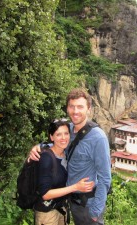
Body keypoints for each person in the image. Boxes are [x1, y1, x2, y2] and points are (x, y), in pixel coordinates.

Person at [29, 88, 111, 225]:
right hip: (71, 201)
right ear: (67, 108)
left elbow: (105, 178)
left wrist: (96, 212)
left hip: (88, 205)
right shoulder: (68, 130)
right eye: (72, 106)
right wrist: (39, 147)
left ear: (88, 109)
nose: (75, 111)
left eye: (80, 107)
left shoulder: (98, 138)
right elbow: (56, 143)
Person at [34, 119, 95, 225]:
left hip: (61, 209)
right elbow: (45, 194)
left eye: (66, 133)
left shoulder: (65, 154)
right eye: (58, 134)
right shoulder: (46, 158)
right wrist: (76, 187)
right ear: (51, 137)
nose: (63, 138)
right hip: (47, 214)